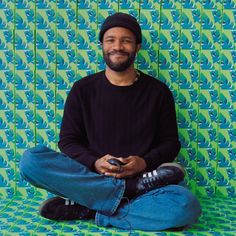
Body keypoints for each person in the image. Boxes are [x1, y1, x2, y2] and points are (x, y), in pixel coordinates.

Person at [19, 13, 201, 231]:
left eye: (126, 40)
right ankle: (126, 193)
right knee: (31, 160)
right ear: (102, 45)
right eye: (111, 40)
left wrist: (143, 163)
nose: (118, 46)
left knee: (186, 205)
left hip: (144, 181)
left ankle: (90, 209)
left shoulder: (158, 92)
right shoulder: (82, 89)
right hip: (92, 178)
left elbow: (170, 143)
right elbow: (68, 141)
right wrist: (95, 163)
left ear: (137, 46)